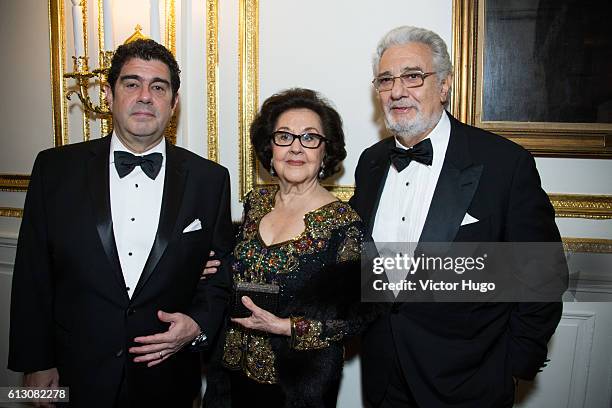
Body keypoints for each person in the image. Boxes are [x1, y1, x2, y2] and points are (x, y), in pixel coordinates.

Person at [349, 26, 567, 407]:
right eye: (386, 80)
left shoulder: (504, 164)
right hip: (383, 377)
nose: (397, 91)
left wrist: (513, 366)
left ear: (445, 84)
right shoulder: (371, 163)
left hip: (468, 382)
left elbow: (543, 275)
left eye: (413, 76)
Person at [8, 39, 233, 407]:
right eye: (131, 84)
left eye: (158, 87)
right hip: (72, 371)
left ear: (173, 104)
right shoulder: (55, 169)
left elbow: (221, 272)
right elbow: (33, 273)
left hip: (167, 373)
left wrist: (198, 325)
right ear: (110, 96)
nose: (145, 96)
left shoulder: (210, 179)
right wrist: (35, 362)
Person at [203, 88, 373, 408]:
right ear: (270, 147)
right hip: (229, 380)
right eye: (284, 136)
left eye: (310, 138)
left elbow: (359, 317)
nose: (296, 147)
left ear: (326, 151)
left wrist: (285, 327)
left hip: (297, 388)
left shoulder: (345, 224)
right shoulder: (256, 203)